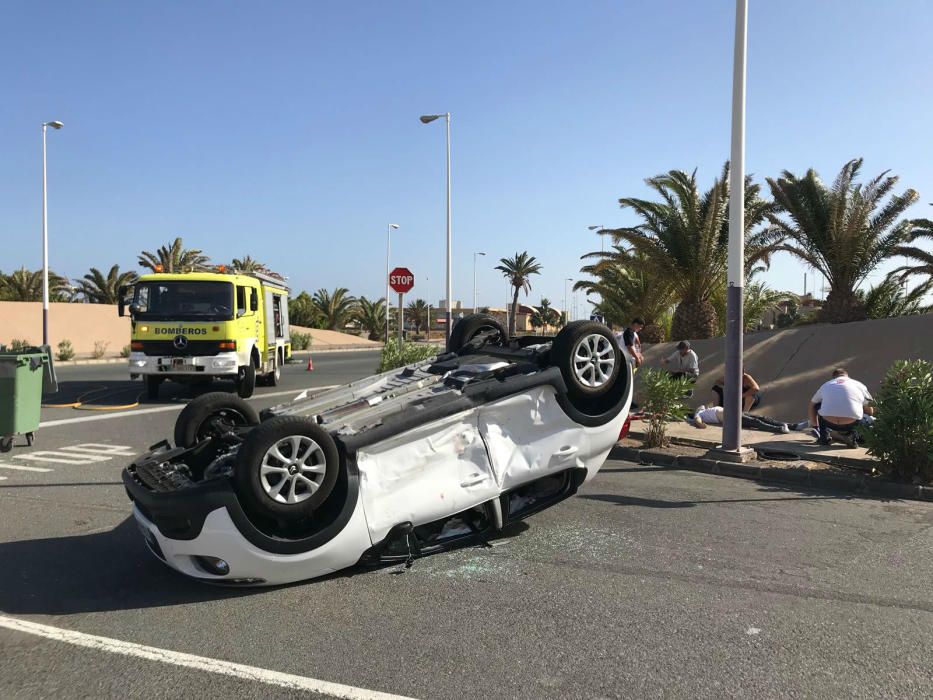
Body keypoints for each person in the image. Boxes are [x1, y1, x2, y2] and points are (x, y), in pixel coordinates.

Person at [808, 368, 874, 447]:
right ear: (847, 376)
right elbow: (870, 410)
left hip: (829, 422)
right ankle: (853, 437)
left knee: (818, 405)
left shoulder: (826, 385)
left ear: (834, 377)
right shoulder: (859, 385)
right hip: (852, 423)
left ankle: (823, 438)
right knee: (865, 415)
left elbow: (812, 405)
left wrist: (815, 426)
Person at [690, 404, 790, 434]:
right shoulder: (699, 413)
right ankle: (779, 429)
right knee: (755, 422)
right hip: (730, 417)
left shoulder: (706, 410)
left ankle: (784, 424)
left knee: (760, 417)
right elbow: (698, 422)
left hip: (733, 412)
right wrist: (702, 425)